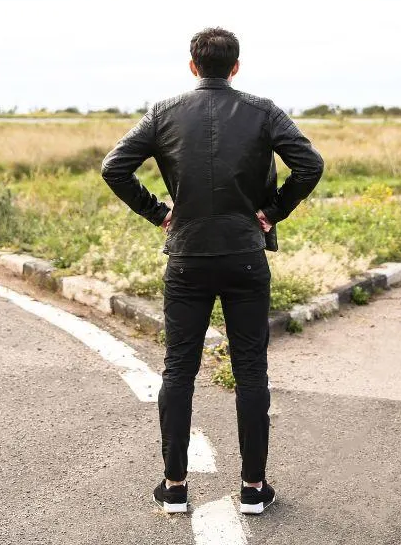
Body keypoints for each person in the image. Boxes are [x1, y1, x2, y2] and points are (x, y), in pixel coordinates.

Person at [101, 27, 324, 516]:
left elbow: (114, 167)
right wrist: (273, 212)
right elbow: (310, 164)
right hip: (246, 256)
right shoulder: (263, 110)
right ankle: (253, 489)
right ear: (237, 67)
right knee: (251, 371)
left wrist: (160, 213)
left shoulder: (163, 112)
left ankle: (175, 486)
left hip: (187, 258)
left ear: (192, 66)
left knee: (179, 369)